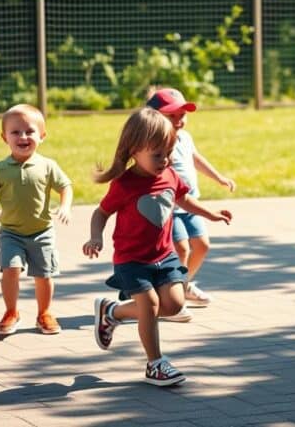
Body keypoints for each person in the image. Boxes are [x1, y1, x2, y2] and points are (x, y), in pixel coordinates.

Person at [83, 107, 232, 387]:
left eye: (169, 152)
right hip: (132, 260)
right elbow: (101, 212)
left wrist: (211, 214)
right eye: (157, 154)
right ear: (135, 150)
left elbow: (184, 201)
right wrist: (95, 237)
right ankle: (155, 364)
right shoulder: (124, 185)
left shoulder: (170, 176)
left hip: (164, 257)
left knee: (174, 305)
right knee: (150, 305)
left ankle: (111, 312)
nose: (165, 160)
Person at [0, 104, 73, 336]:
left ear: (42, 135)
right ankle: (11, 312)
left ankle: (44, 313)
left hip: (42, 232)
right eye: (15, 132)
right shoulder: (0, 169)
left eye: (30, 131)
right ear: (4, 137)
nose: (23, 137)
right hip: (11, 233)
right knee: (11, 268)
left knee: (44, 274)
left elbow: (65, 185)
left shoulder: (47, 166)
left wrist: (65, 206)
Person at [146, 88, 236, 322]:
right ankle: (171, 302)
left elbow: (196, 159)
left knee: (202, 245)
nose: (179, 121)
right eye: (171, 116)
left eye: (181, 115)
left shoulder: (185, 138)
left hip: (191, 203)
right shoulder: (156, 144)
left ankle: (183, 286)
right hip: (170, 208)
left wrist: (219, 178)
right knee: (182, 249)